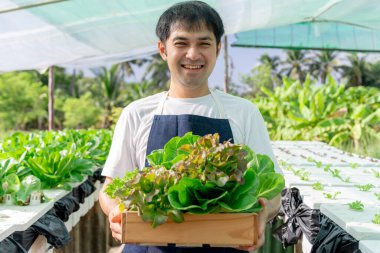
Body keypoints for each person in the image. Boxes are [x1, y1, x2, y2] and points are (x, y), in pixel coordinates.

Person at [99, 1, 282, 252]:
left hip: (225, 245)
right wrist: (116, 211)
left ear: (218, 48)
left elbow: (272, 191)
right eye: (181, 43)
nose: (193, 54)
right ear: (163, 49)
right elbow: (111, 188)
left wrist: (261, 214)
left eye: (204, 43)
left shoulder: (243, 112)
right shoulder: (137, 113)